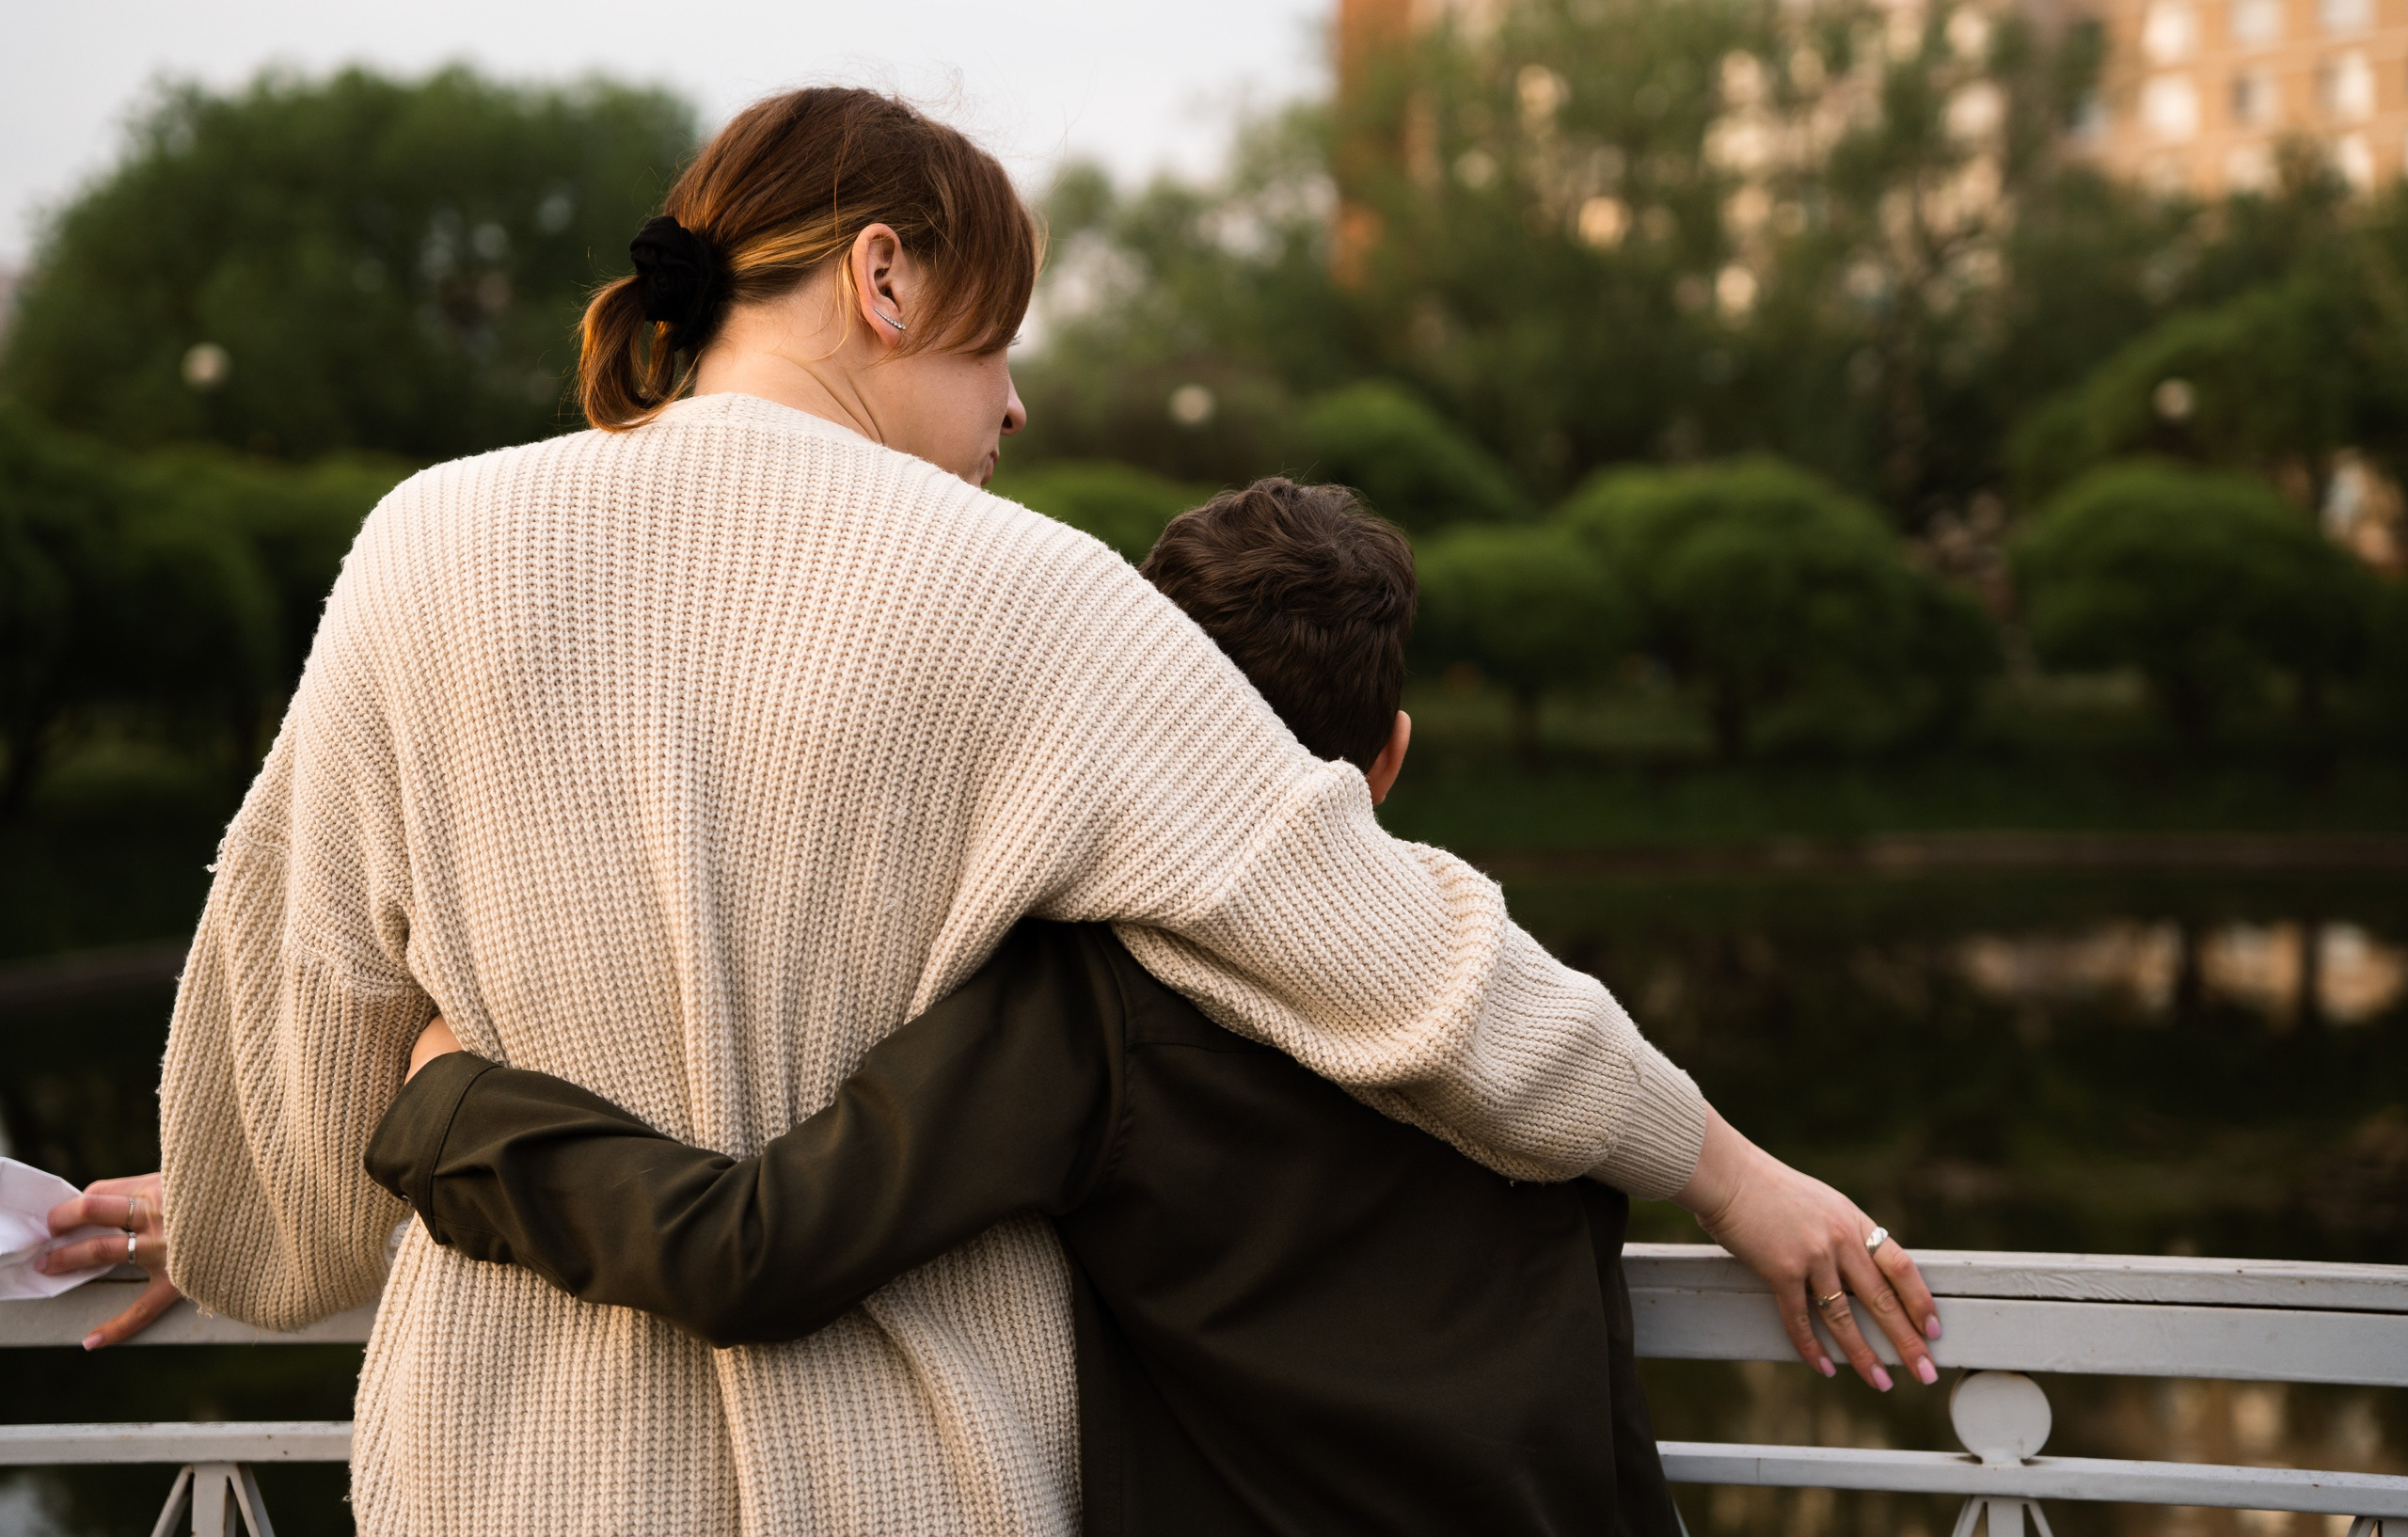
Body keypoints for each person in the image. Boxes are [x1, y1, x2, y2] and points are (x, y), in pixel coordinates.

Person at [43, 87, 1938, 1536]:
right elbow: (1394, 952)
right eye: (994, 342)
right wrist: (1718, 1163)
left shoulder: (418, 545)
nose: (1013, 410)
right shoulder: (1023, 594)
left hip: (501, 1469)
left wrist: (228, 1224)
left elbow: (293, 1001)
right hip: (911, 1475)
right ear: (882, 272)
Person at [363, 479, 1687, 1536]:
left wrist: (449, 1111)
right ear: (1390, 756)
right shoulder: (1524, 1002)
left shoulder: (1086, 1007)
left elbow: (753, 1249)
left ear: (1118, 734)